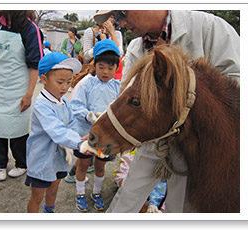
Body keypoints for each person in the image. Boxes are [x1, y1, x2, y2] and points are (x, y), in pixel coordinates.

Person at [94, 10, 240, 213]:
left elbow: (237, 83)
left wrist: (184, 86)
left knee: (180, 207)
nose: (121, 22)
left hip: (196, 144)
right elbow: (126, 96)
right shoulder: (137, 47)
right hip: (151, 138)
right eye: (117, 19)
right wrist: (107, 125)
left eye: (122, 13)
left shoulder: (209, 27)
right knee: (126, 198)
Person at [0, 10, 44, 182]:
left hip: (18, 85)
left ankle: (21, 163)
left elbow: (35, 65)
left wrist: (29, 94)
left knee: (17, 127)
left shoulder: (30, 28)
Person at [25, 52, 83, 213]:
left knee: (53, 189)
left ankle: (49, 213)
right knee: (37, 197)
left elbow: (72, 123)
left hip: (59, 158)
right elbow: (56, 130)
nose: (65, 87)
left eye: (69, 82)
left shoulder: (64, 100)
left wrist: (78, 138)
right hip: (42, 158)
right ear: (44, 79)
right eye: (60, 82)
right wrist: (79, 143)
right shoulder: (41, 104)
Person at [70, 39, 121, 212]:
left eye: (110, 68)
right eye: (101, 67)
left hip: (106, 137)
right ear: (94, 65)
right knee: (82, 165)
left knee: (100, 165)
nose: (105, 72)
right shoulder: (86, 83)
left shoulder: (118, 86)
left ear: (116, 68)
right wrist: (88, 116)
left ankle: (97, 193)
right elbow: (75, 105)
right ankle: (80, 194)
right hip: (85, 132)